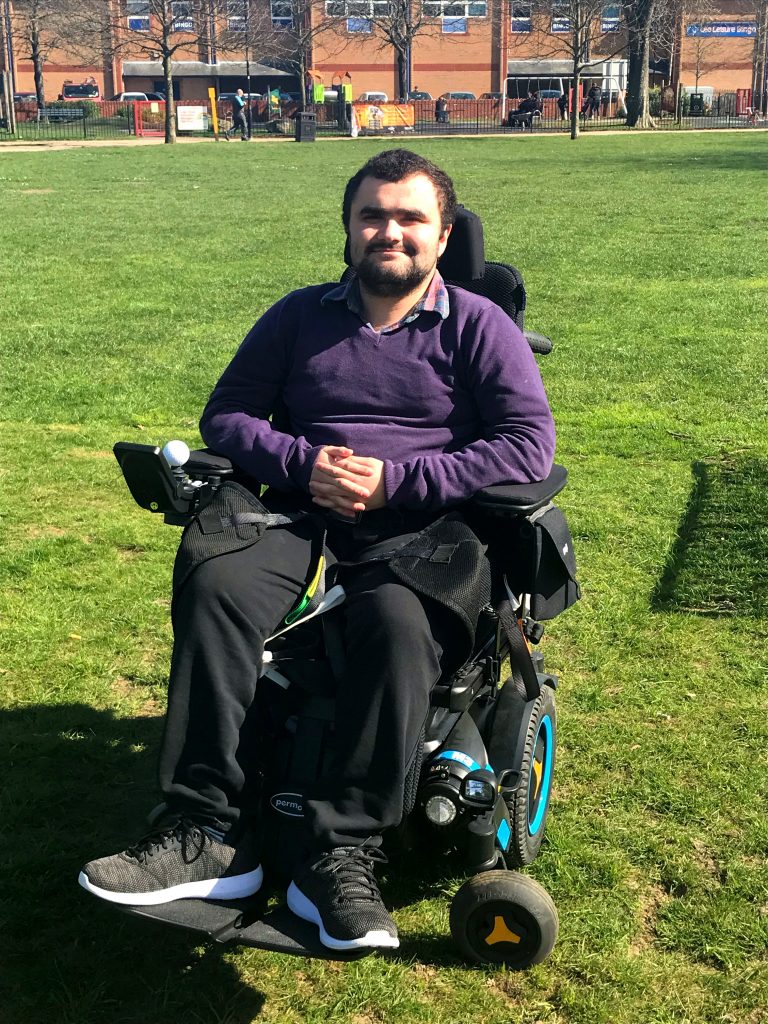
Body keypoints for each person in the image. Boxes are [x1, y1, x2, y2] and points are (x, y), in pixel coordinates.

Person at [78, 149, 555, 953]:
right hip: (298, 509)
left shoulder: (480, 326)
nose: (390, 232)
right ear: (348, 228)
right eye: (374, 215)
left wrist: (398, 482)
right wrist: (306, 464)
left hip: (423, 520)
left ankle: (340, 854)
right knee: (218, 586)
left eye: (411, 219)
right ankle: (207, 831)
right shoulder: (299, 316)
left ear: (442, 236)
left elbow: (526, 445)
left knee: (398, 626)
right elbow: (228, 417)